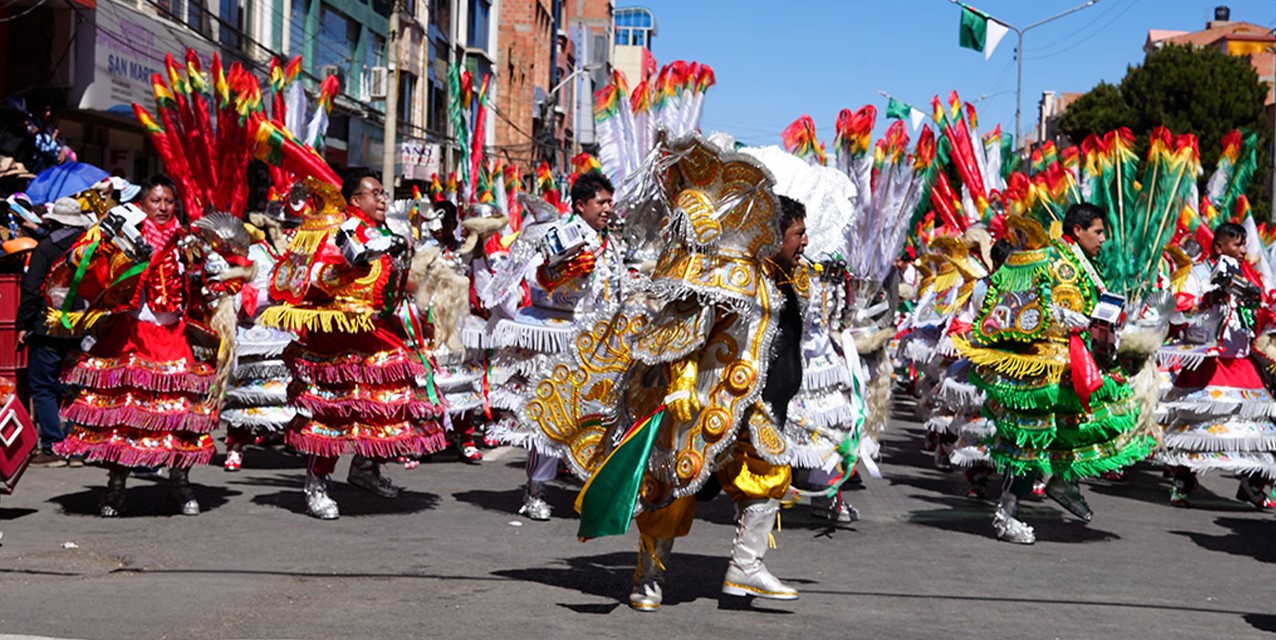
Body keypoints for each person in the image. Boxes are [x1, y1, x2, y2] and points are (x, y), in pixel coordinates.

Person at [54, 176, 251, 517]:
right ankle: (116, 488)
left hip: (174, 335)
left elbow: (212, 281)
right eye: (156, 201)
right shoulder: (123, 235)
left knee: (179, 416)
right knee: (126, 416)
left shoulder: (189, 241)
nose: (162, 208)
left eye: (168, 202)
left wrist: (216, 283)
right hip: (131, 334)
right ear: (143, 204)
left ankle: (179, 484)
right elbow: (88, 269)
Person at [956, 204, 1152, 544]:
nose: (1104, 239)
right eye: (1099, 232)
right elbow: (1024, 303)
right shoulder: (1048, 258)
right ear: (1078, 230)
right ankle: (1007, 514)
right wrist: (1063, 316)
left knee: (1071, 431)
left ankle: (1062, 481)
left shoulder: (1083, 262)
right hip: (1043, 369)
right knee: (1032, 444)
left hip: (1073, 363)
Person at [260, 172, 448, 520]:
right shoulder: (337, 231)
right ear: (355, 200)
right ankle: (316, 483)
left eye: (383, 193)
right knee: (335, 411)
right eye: (374, 193)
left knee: (388, 404)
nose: (382, 199)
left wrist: (438, 281)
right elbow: (313, 279)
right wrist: (350, 266)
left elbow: (398, 283)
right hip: (340, 336)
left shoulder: (391, 234)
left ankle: (365, 467)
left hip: (378, 328)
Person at [485, 171, 625, 521]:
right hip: (557, 336)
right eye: (601, 202)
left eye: (610, 201)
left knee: (597, 417)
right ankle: (535, 491)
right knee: (548, 414)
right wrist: (560, 269)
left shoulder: (608, 241)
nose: (608, 208)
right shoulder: (561, 233)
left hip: (595, 338)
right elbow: (537, 278)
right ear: (581, 205)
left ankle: (591, 488)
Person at [1156, 222, 1276, 507]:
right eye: (1238, 245)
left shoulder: (1250, 276)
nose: (1244, 250)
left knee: (1257, 427)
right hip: (1207, 362)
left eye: (1245, 244)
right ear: (1220, 246)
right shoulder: (1196, 274)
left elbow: (1261, 313)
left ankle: (1254, 485)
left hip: (1241, 360)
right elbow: (1179, 312)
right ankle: (1183, 481)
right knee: (1196, 424)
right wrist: (1208, 299)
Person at [19, 197, 95, 467]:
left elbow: (32, 288)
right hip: (80, 325)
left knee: (42, 385)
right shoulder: (90, 247)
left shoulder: (46, 248)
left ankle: (53, 446)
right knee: (73, 386)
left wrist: (23, 324)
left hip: (48, 325)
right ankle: (75, 446)